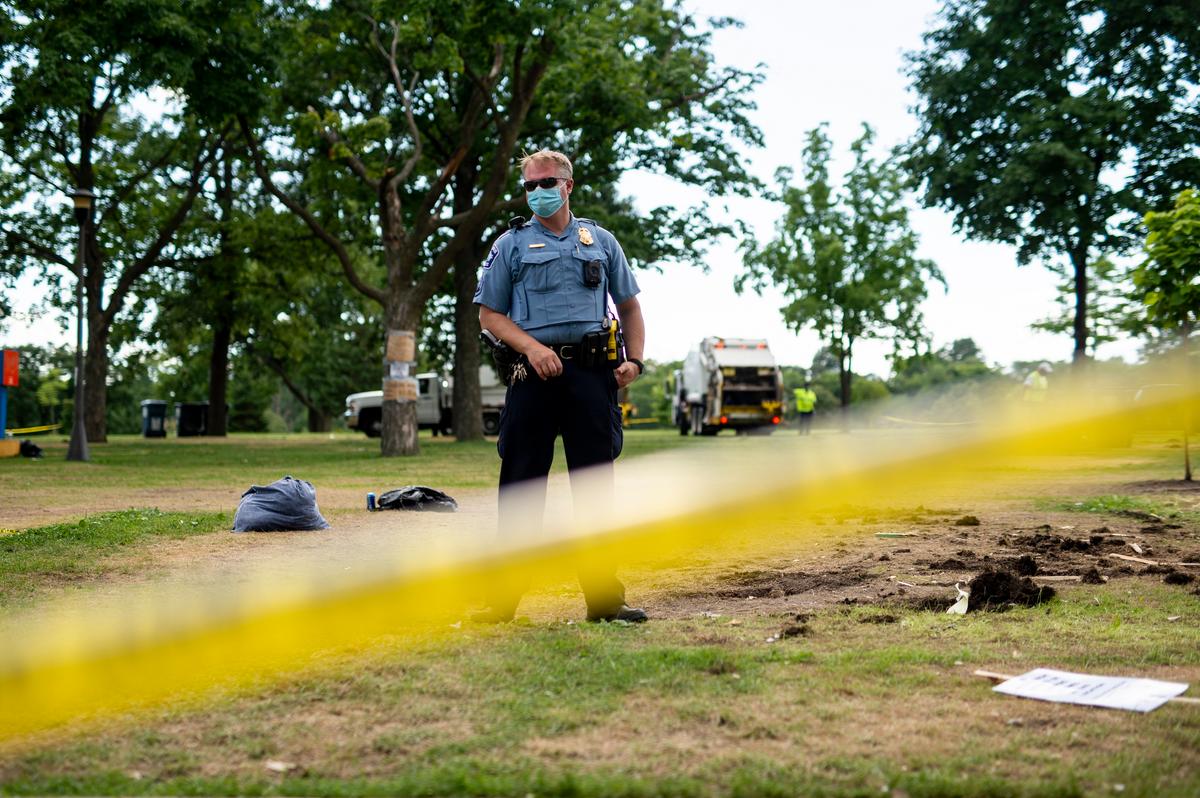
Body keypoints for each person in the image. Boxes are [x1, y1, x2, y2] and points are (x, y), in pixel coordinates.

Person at [472, 149, 648, 624]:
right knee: (522, 489)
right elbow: (490, 314)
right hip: (533, 379)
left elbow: (629, 306)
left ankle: (605, 603)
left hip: (593, 378)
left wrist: (635, 361)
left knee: (594, 491)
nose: (537, 192)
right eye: (529, 186)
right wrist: (530, 348)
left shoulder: (601, 240)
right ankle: (502, 603)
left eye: (546, 182)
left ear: (568, 185)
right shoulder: (509, 245)